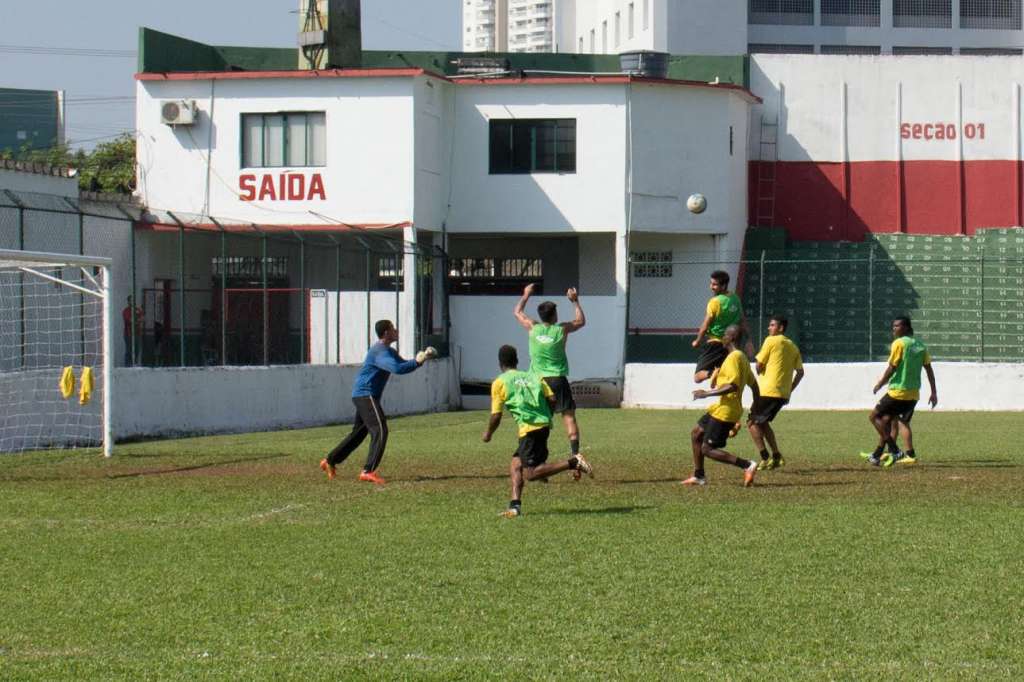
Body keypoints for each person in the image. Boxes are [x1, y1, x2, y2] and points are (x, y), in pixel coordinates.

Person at [483, 345, 593, 518]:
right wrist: (546, 415)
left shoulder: (499, 382)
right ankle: (515, 507)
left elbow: (496, 416)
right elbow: (552, 398)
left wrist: (488, 433)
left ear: (500, 364)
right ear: (517, 361)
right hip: (541, 426)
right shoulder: (533, 376)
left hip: (530, 430)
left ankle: (573, 462)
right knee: (515, 465)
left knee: (531, 473)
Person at [320, 320, 430, 484]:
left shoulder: (388, 351)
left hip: (365, 395)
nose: (396, 331)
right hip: (366, 394)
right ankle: (368, 471)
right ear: (386, 333)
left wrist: (418, 360)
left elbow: (402, 364)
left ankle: (330, 461)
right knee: (380, 429)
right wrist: (417, 362)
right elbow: (397, 369)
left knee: (358, 434)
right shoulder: (380, 352)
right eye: (393, 329)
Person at [513, 283, 586, 467]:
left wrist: (526, 294)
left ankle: (537, 460)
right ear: (554, 315)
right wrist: (575, 302)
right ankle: (576, 456)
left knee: (539, 421)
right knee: (569, 418)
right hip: (557, 380)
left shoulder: (533, 328)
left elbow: (517, 312)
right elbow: (580, 321)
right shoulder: (560, 329)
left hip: (537, 382)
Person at [685, 325, 760, 487]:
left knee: (707, 449)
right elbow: (755, 386)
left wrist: (705, 394)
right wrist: (756, 410)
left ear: (730, 338)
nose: (722, 337)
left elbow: (732, 386)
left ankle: (747, 465)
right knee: (696, 433)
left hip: (726, 411)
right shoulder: (742, 359)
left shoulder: (734, 358)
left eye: (724, 335)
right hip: (721, 408)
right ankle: (699, 476)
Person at [861, 316, 938, 467]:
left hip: (898, 391)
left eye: (897, 326)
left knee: (873, 417)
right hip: (913, 394)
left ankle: (895, 451)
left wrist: (880, 383)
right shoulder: (920, 345)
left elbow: (892, 367)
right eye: (893, 326)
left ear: (906, 327)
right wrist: (934, 392)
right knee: (886, 422)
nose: (894, 329)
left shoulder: (899, 343)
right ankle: (877, 455)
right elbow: (929, 369)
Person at [748, 314, 804, 471]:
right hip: (782, 394)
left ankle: (765, 458)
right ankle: (777, 456)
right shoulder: (793, 346)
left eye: (772, 325)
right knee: (763, 423)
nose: (768, 327)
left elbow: (758, 365)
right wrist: (789, 390)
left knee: (751, 422)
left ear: (780, 328)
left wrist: (759, 368)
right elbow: (800, 372)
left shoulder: (771, 340)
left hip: (767, 391)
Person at [691, 270, 754, 384]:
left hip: (714, 343)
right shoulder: (735, 299)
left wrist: (697, 340)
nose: (711, 287)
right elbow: (743, 321)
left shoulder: (715, 302)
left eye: (714, 284)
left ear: (724, 285)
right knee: (729, 378)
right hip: (731, 346)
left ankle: (713, 373)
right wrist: (749, 340)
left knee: (698, 377)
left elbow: (705, 324)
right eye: (711, 283)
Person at [121, 295, 143, 366]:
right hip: (128, 334)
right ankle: (127, 365)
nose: (132, 302)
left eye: (133, 300)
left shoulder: (138, 310)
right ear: (128, 302)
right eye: (130, 300)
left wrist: (137, 320)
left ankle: (135, 364)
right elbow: (130, 320)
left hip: (137, 333)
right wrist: (137, 320)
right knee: (129, 350)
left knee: (137, 350)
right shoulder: (126, 311)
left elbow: (142, 318)